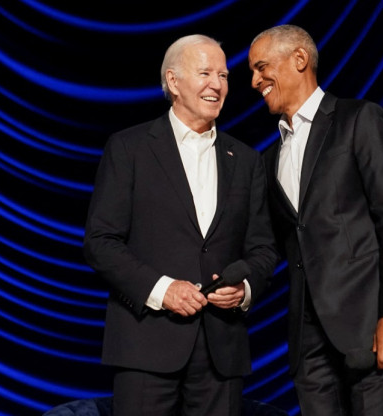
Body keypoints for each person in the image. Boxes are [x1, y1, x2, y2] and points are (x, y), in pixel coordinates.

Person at [84, 34, 278, 416]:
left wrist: (244, 288)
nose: (217, 84)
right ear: (173, 82)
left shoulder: (246, 160)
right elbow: (101, 242)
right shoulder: (130, 148)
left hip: (221, 352)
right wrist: (162, 289)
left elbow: (263, 248)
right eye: (205, 72)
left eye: (223, 75)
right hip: (146, 344)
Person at [248, 25, 383, 415]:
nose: (254, 81)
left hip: (370, 330)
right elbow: (269, 244)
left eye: (262, 67)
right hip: (309, 347)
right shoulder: (268, 160)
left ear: (299, 59)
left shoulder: (358, 120)